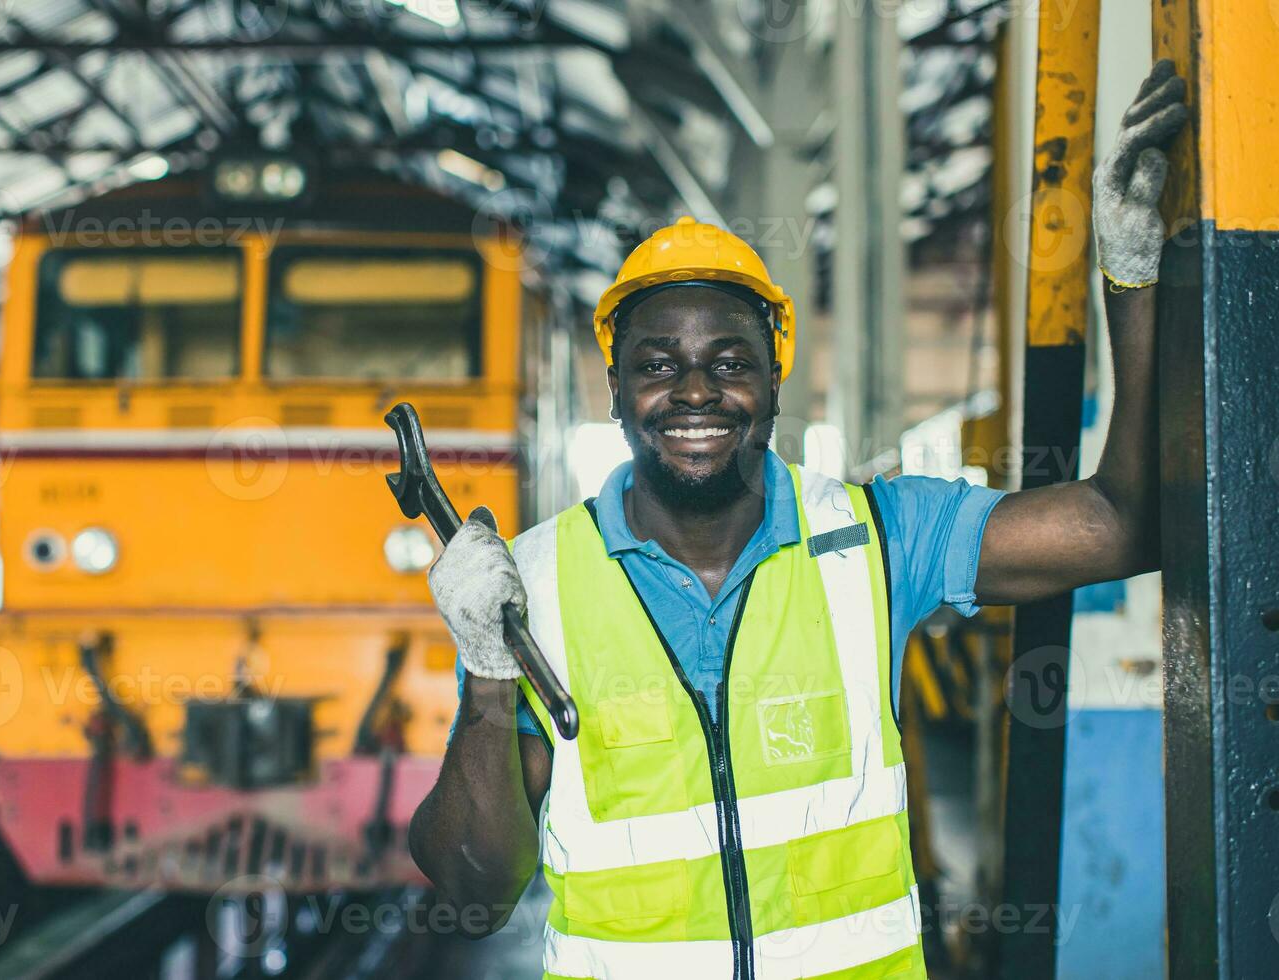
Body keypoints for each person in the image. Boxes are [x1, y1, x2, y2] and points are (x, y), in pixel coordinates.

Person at [409, 61, 1189, 980]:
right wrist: (491, 675)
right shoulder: (528, 589)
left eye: (729, 361)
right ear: (614, 388)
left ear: (775, 378)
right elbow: (475, 891)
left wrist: (1133, 279)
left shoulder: (878, 536)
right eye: (658, 365)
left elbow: (1118, 524)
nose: (696, 390)